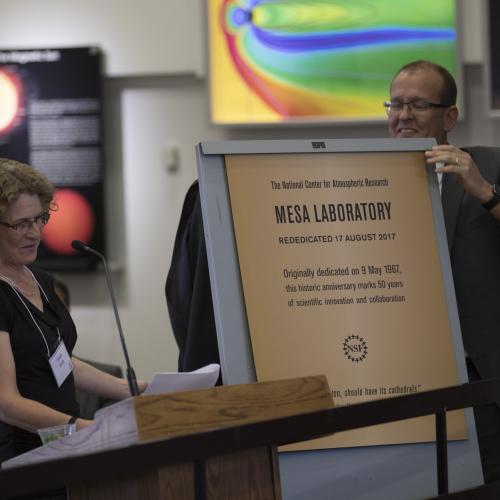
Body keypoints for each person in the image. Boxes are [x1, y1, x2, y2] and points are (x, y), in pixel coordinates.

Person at [387, 60, 500, 483]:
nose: (403, 116)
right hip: (405, 385)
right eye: (395, 105)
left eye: (417, 105)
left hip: (483, 384)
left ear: (449, 117)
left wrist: (485, 192)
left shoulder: (488, 166)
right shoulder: (368, 180)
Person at [0, 158, 147, 471]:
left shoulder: (41, 279)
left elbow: (58, 359)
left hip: (62, 452)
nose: (36, 233)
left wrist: (131, 390)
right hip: (19, 461)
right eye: (21, 224)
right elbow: (7, 404)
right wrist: (83, 428)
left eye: (39, 219)